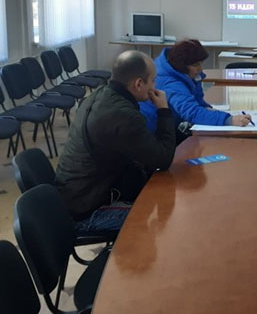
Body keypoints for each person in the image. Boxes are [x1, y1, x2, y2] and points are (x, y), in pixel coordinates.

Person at [55, 50, 176, 232]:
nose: (155, 85)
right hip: (87, 211)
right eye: (152, 80)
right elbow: (164, 159)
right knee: (161, 217)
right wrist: (164, 111)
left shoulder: (100, 95)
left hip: (76, 196)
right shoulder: (123, 116)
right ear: (138, 84)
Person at [139, 39, 251, 134]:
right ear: (182, 65)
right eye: (195, 65)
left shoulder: (183, 72)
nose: (200, 69)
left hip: (169, 126)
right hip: (155, 133)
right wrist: (230, 120)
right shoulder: (169, 82)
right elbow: (192, 112)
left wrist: (208, 109)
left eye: (201, 63)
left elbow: (197, 101)